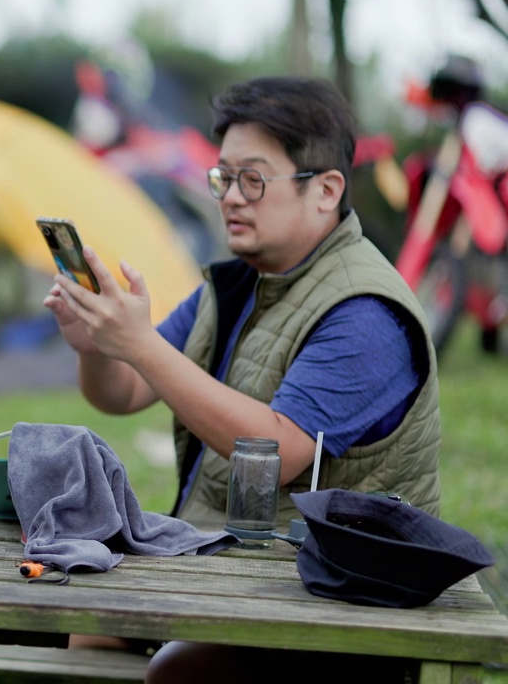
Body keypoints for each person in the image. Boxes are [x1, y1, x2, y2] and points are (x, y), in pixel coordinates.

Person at [45, 76, 440, 683]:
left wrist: (142, 345)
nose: (230, 197)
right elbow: (121, 394)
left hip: (331, 600)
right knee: (66, 635)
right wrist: (96, 348)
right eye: (222, 177)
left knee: (175, 673)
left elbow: (279, 450)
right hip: (219, 569)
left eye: (252, 179)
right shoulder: (232, 285)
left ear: (326, 190)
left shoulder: (366, 311)